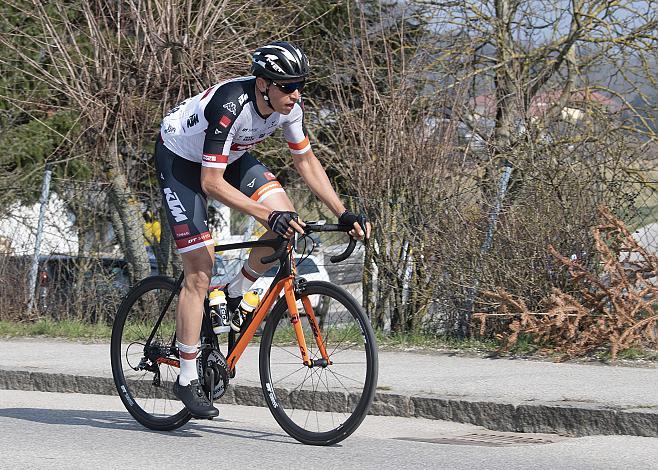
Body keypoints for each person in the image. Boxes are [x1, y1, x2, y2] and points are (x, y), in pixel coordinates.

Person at [154, 41, 370, 418]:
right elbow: (210, 183)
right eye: (287, 86)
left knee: (287, 217)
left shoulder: (290, 108)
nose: (295, 94)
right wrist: (265, 216)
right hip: (181, 162)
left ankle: (235, 293)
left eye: (299, 85)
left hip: (230, 156)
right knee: (200, 271)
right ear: (263, 84)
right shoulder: (229, 105)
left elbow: (306, 160)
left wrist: (344, 211)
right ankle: (187, 377)